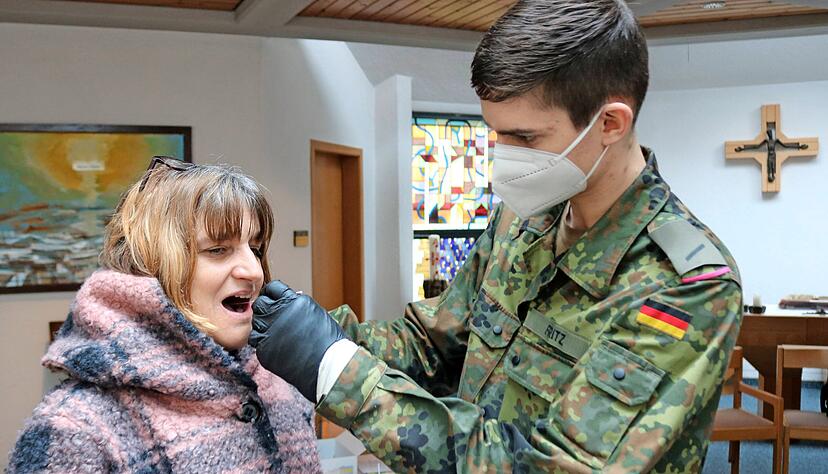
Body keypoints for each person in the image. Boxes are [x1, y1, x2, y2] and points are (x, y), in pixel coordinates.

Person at [250, 0, 743, 472]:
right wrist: (306, 327)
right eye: (495, 132)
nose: (500, 158)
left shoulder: (684, 287)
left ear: (610, 123)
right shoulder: (521, 223)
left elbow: (547, 468)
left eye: (525, 138)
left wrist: (336, 369)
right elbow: (431, 346)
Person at [7, 157, 321, 473]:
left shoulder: (279, 381)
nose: (254, 271)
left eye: (254, 248)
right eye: (217, 250)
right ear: (150, 266)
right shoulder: (76, 430)